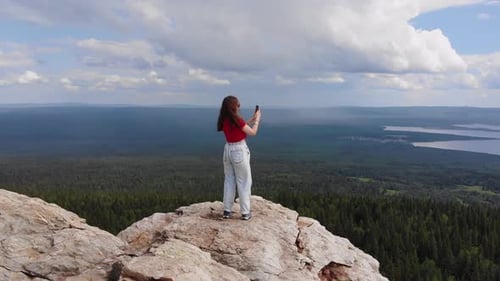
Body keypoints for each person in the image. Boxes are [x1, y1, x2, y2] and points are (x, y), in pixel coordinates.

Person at [217, 96, 261, 220]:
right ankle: (245, 212)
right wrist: (257, 121)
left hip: (228, 150)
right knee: (244, 181)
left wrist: (252, 118)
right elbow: (252, 132)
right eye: (238, 105)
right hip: (239, 150)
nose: (239, 107)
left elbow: (239, 127)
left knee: (229, 180)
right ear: (234, 106)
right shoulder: (237, 119)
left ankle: (227, 210)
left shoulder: (224, 119)